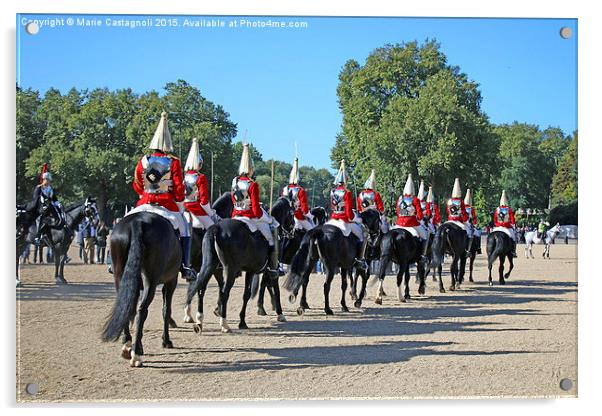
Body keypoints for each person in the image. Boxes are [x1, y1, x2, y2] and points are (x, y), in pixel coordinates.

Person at [125, 111, 196, 282]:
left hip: (144, 202)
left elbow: (137, 185)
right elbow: (179, 190)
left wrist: (146, 194)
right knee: (185, 228)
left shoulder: (143, 161)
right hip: (166, 205)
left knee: (124, 222)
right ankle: (186, 267)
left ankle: (113, 262)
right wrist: (178, 203)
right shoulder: (174, 162)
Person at [231, 143, 279, 278]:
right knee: (270, 237)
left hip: (235, 215)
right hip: (249, 216)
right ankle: (272, 267)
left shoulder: (234, 181)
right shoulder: (252, 184)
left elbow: (233, 200)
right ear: (251, 169)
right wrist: (269, 219)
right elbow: (257, 211)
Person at [326, 159, 368, 271]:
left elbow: (332, 207)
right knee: (362, 236)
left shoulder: (332, 192)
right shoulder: (347, 192)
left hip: (333, 219)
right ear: (345, 181)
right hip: (343, 220)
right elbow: (349, 213)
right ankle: (360, 260)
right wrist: (357, 219)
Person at [183, 138, 220, 233]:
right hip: (195, 208)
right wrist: (211, 213)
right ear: (199, 164)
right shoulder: (200, 177)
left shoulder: (185, 176)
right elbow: (204, 201)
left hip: (184, 207)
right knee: (213, 228)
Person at [391, 174, 429, 264]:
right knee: (425, 236)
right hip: (412, 224)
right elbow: (419, 215)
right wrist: (418, 217)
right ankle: (423, 256)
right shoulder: (415, 199)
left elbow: (397, 211)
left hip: (399, 224)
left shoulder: (400, 199)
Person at [32, 165, 65, 245]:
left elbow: (54, 199)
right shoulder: (39, 188)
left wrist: (58, 204)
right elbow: (35, 198)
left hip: (49, 207)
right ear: (44, 179)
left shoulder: (50, 189)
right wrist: (42, 201)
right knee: (40, 218)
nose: (49, 182)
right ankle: (37, 236)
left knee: (59, 212)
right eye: (48, 180)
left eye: (49, 180)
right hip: (40, 207)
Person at [282, 157, 314, 231]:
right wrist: (310, 216)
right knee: (312, 230)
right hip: (298, 216)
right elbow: (304, 208)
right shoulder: (300, 190)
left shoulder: (285, 189)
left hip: (286, 217)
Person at [445, 178, 471, 255]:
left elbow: (447, 211)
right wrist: (466, 221)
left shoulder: (449, 201)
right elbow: (463, 213)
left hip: (449, 220)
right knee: (469, 233)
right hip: (459, 221)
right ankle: (467, 250)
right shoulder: (461, 202)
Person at [493, 190, 517, 257]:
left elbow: (495, 219)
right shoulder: (509, 210)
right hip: (507, 227)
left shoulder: (497, 209)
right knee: (513, 237)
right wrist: (513, 225)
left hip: (497, 227)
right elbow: (512, 219)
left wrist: (497, 224)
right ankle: (513, 251)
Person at [464, 188, 481, 255]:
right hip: (467, 224)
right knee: (477, 234)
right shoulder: (471, 209)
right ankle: (475, 249)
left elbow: (474, 218)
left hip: (464, 223)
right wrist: (475, 224)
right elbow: (474, 218)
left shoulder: (463, 207)